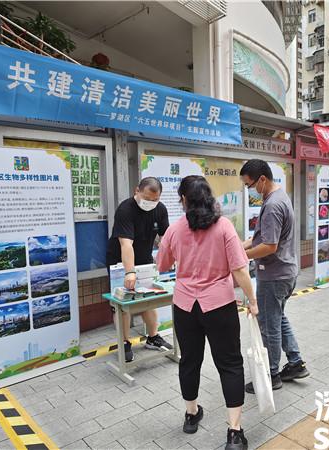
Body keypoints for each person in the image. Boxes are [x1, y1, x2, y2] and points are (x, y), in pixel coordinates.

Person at [156, 175, 257, 450]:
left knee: (189, 361)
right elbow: (240, 269)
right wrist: (252, 300)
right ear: (209, 198)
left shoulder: (174, 230)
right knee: (230, 364)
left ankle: (191, 414)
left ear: (184, 200)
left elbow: (162, 265)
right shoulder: (224, 226)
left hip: (185, 307)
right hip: (219, 305)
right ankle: (234, 432)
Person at [239, 159, 309, 393]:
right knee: (278, 318)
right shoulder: (279, 196)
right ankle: (295, 362)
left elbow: (269, 246)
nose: (250, 190)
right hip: (285, 272)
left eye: (249, 185)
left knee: (269, 325)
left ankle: (271, 375)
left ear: (262, 179)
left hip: (274, 275)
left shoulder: (271, 205)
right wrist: (240, 246)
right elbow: (260, 238)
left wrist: (242, 256)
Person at [106, 177, 172, 362]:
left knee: (148, 299)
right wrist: (129, 272)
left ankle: (153, 337)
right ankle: (124, 342)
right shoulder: (125, 209)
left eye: (155, 199)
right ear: (137, 191)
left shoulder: (160, 209)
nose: (151, 203)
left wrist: (169, 260)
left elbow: (166, 239)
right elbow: (126, 244)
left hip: (144, 259)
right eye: (147, 198)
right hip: (120, 261)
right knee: (123, 303)